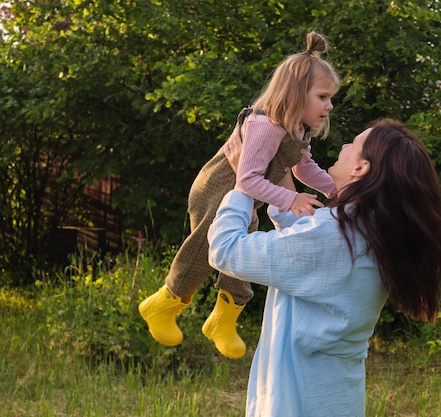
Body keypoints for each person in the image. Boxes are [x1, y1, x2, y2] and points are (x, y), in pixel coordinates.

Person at [207, 118, 441, 416]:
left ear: (361, 168)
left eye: (354, 143)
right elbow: (302, 236)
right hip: (333, 398)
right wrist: (278, 160)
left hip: (299, 403)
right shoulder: (369, 231)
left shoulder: (334, 236)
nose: (344, 145)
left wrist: (242, 184)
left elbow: (226, 249)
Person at [138, 31, 340, 359]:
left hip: (247, 197)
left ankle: (222, 319)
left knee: (241, 253)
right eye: (323, 97)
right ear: (297, 93)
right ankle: (163, 303)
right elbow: (247, 179)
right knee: (206, 245)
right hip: (216, 191)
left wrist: (334, 187)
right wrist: (291, 200)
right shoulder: (266, 125)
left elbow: (305, 169)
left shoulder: (297, 130)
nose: (329, 106)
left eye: (330, 98)